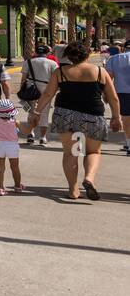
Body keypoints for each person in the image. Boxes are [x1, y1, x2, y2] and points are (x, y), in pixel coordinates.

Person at [31, 41, 123, 201]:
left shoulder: (60, 72)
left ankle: (73, 190)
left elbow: (47, 94)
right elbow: (113, 98)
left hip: (66, 115)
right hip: (93, 116)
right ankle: (89, 179)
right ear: (87, 54)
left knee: (72, 152)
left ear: (69, 56)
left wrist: (37, 112)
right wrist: (116, 117)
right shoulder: (100, 72)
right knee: (93, 151)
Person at [19, 43, 59, 146]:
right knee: (44, 114)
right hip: (46, 89)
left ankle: (31, 134)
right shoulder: (52, 64)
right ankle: (42, 137)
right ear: (48, 53)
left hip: (31, 88)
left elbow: (23, 78)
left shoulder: (28, 62)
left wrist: (22, 90)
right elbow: (56, 79)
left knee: (30, 112)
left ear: (36, 52)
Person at [0, 97, 25, 195]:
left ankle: (0, 188)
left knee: (0, 168)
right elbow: (25, 131)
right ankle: (18, 186)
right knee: (15, 167)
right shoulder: (15, 122)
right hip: (12, 146)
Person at [102, 42, 130, 154]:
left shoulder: (114, 59)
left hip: (122, 92)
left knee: (126, 119)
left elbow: (109, 78)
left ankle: (129, 144)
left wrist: (105, 94)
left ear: (123, 48)